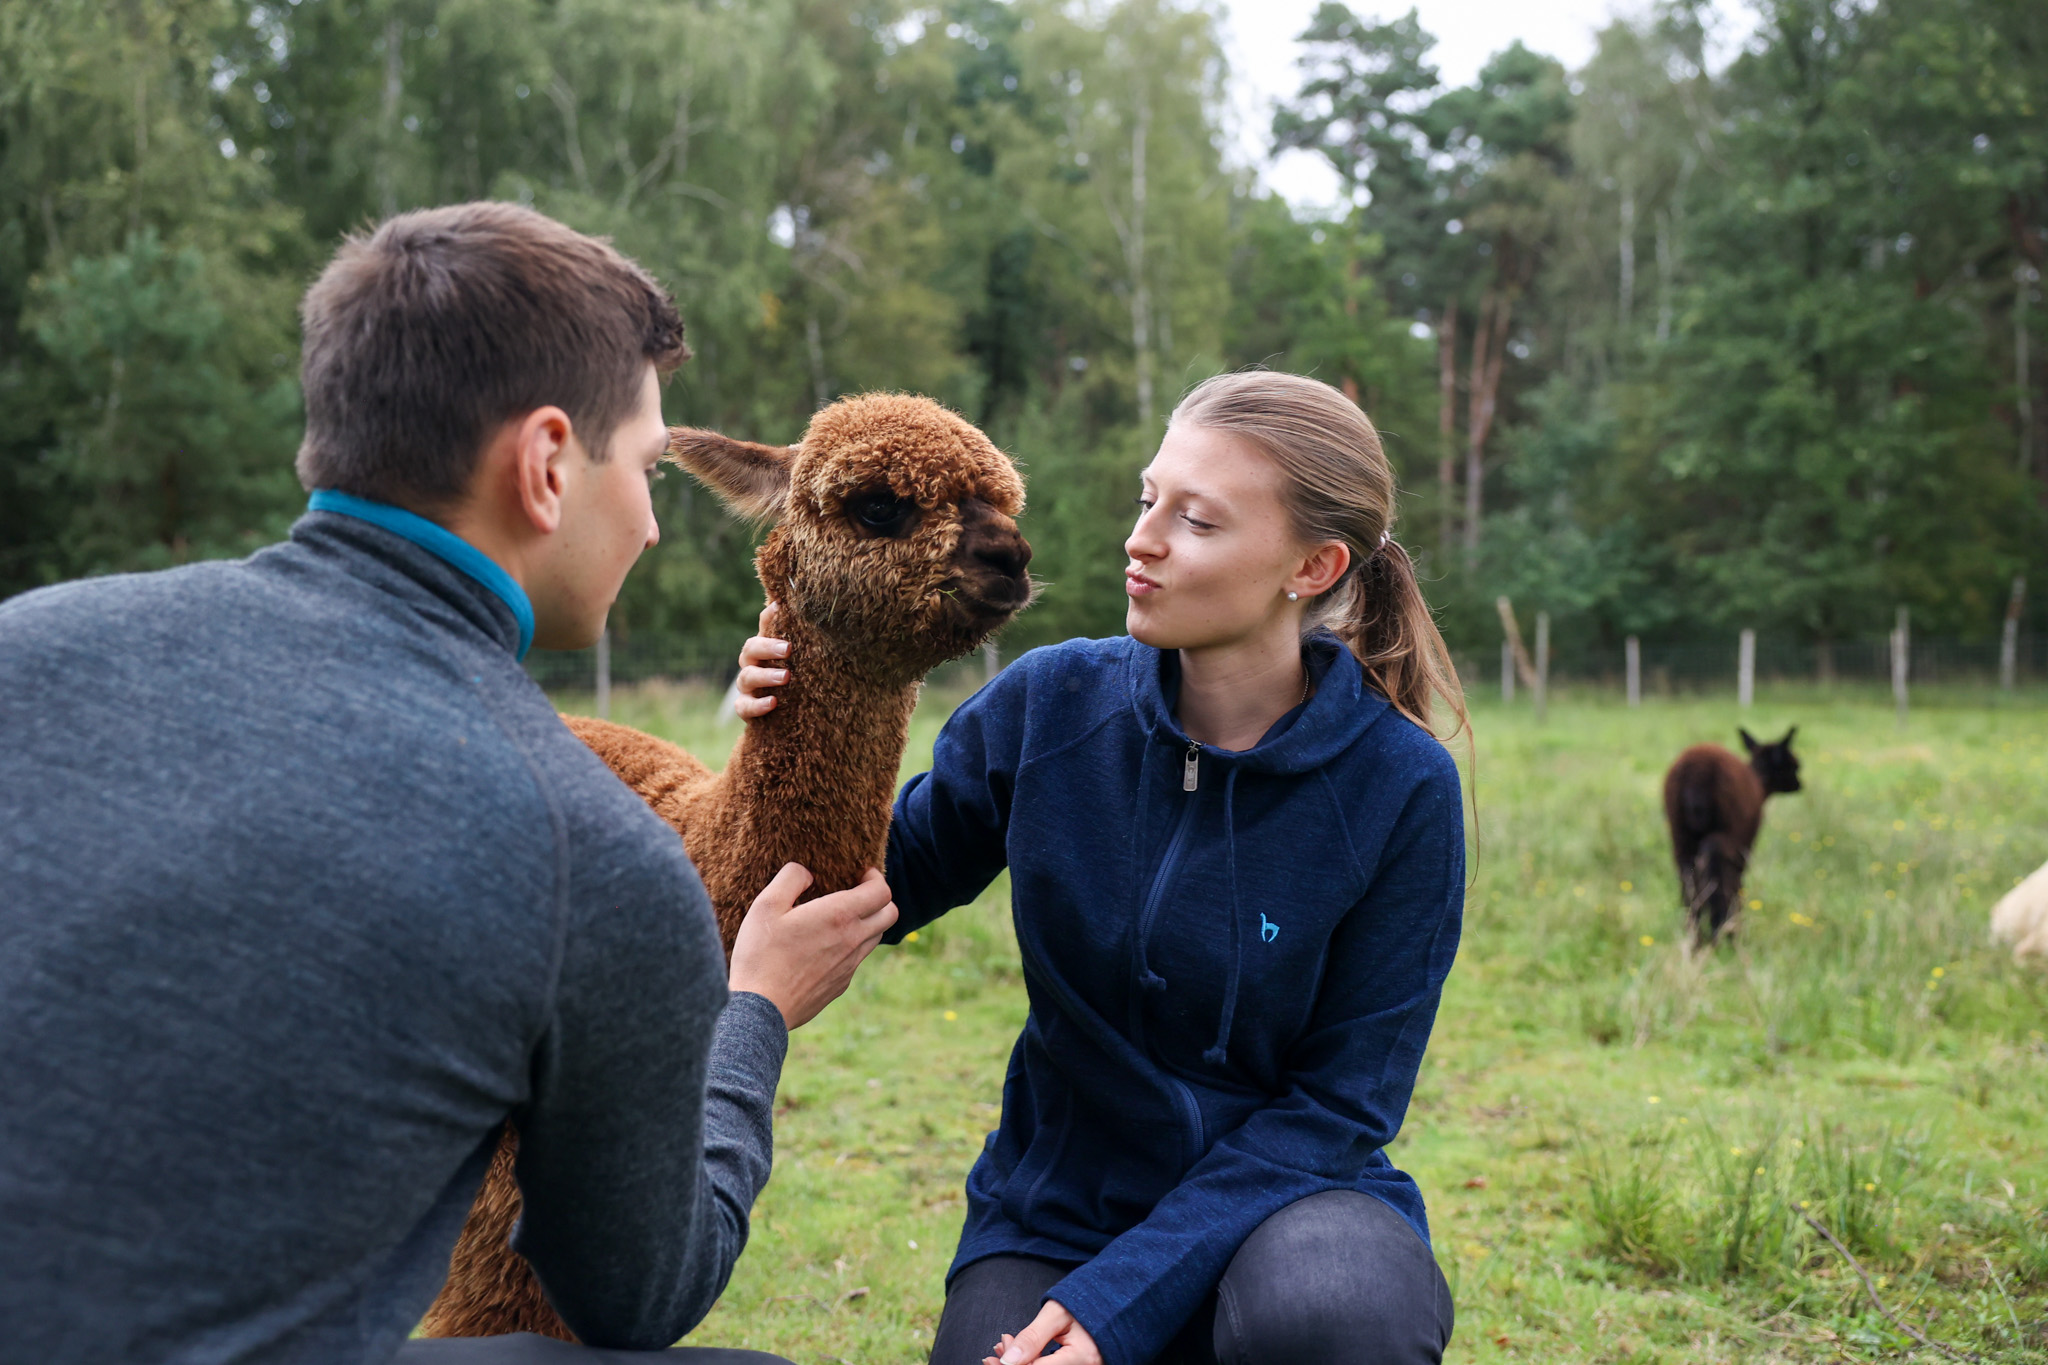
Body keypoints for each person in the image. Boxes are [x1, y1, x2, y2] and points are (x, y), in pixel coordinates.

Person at [0, 202, 896, 1365]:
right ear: (544, 466)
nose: (649, 527)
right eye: (643, 470)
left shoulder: (30, 645)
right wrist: (753, 1013)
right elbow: (639, 1295)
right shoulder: (583, 848)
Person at [735, 370, 1468, 1365]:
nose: (1141, 539)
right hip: (1057, 1212)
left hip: (1290, 1208)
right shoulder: (1048, 706)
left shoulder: (1401, 786)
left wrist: (1118, 1303)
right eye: (1146, 499)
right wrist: (813, 697)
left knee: (1336, 1315)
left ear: (1312, 565)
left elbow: (1340, 1105)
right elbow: (859, 889)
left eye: (1195, 521)